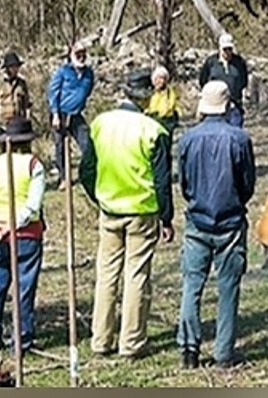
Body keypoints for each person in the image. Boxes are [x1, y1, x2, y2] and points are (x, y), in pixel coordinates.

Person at [80, 85, 175, 359]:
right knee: (136, 275)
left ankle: (101, 339)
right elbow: (162, 180)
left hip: (110, 209)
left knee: (106, 274)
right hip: (142, 211)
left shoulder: (100, 123)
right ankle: (131, 342)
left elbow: (86, 169)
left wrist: (99, 197)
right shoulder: (154, 130)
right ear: (145, 98)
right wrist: (166, 217)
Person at [175, 81, 257, 369]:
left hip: (197, 221)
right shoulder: (240, 139)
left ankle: (188, 350)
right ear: (227, 105)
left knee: (191, 285)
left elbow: (183, 184)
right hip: (231, 223)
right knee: (228, 287)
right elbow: (248, 184)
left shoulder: (187, 140)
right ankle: (223, 353)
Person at [0, 117, 48, 353]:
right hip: (25, 235)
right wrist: (11, 225)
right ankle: (21, 339)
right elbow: (33, 205)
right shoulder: (34, 165)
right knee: (24, 288)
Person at [48, 40, 96, 187]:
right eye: (78, 54)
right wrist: (55, 113)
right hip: (61, 114)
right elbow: (52, 93)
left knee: (87, 144)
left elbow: (88, 91)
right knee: (60, 147)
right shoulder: (63, 71)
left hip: (76, 115)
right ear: (71, 55)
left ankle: (89, 174)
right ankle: (64, 178)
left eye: (83, 54)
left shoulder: (89, 73)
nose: (81, 57)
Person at [198, 33, 250, 128]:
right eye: (224, 49)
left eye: (229, 49)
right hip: (215, 108)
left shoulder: (239, 62)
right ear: (219, 48)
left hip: (234, 106)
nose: (227, 52)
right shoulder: (211, 62)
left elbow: (243, 81)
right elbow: (203, 81)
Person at [0, 52, 32, 131]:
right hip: (1, 125)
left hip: (17, 124)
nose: (15, 69)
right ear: (7, 68)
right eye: (12, 67)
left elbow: (26, 103)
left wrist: (26, 118)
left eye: (16, 66)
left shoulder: (21, 83)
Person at [144, 66, 181, 132]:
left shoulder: (170, 92)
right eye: (159, 78)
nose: (161, 81)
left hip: (166, 123)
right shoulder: (149, 92)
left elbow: (171, 106)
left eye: (163, 78)